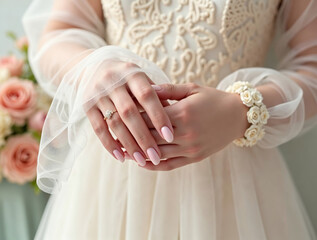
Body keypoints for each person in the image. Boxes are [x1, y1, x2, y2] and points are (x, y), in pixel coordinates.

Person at [23, 0, 317, 239]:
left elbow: (311, 68)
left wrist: (241, 111)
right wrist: (92, 71)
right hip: (113, 173)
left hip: (232, 180)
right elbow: (59, 34)